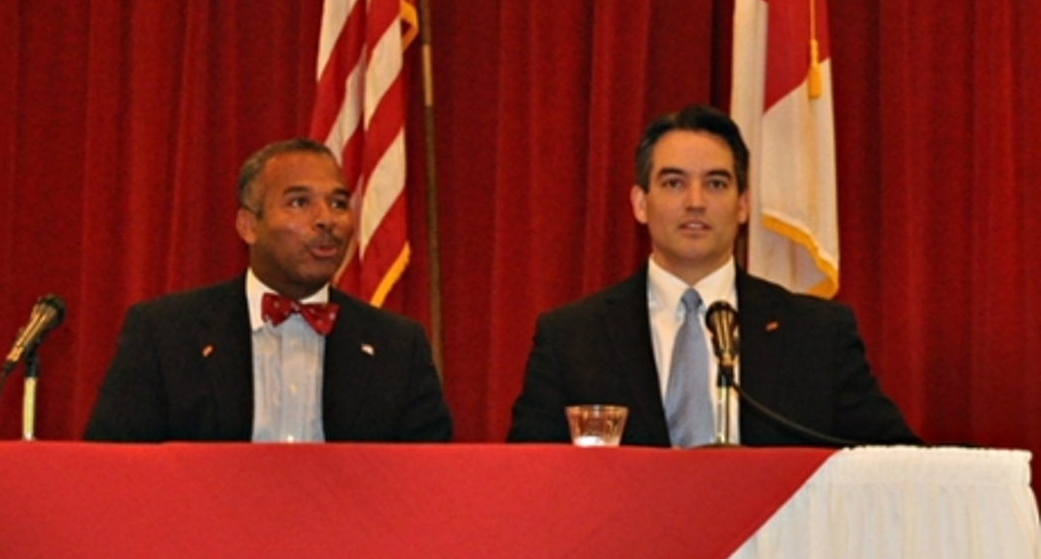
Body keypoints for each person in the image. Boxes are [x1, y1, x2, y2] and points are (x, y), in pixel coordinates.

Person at [507, 104, 919, 447]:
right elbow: (529, 479)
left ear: (742, 205)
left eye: (716, 184)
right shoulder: (572, 338)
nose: (696, 202)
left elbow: (890, 462)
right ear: (640, 203)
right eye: (673, 183)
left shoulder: (816, 336)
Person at [85, 138, 452, 442]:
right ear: (248, 225)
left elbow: (429, 484)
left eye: (338, 203)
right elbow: (113, 470)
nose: (326, 219)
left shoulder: (397, 347)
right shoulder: (164, 333)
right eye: (298, 203)